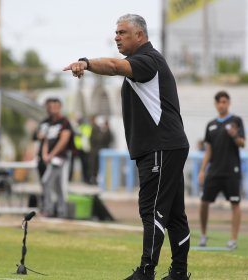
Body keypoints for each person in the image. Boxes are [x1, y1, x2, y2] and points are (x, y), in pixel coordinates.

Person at [64, 14, 191, 280]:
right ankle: (179, 273)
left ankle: (146, 272)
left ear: (140, 36)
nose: (116, 37)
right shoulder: (146, 61)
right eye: (116, 32)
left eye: (122, 32)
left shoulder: (148, 60)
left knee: (151, 208)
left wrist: (85, 63)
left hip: (161, 147)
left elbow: (112, 66)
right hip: (167, 146)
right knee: (175, 214)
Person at [198, 91, 245, 250]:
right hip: (214, 171)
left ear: (228, 103)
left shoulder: (236, 121)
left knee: (235, 203)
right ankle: (203, 235)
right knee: (204, 202)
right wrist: (203, 170)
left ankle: (233, 239)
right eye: (219, 102)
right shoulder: (211, 125)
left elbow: (242, 143)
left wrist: (234, 135)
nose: (221, 105)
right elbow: (208, 150)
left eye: (224, 102)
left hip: (231, 170)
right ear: (215, 104)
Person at [40, 98, 72, 218]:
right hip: (51, 158)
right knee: (57, 185)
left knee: (46, 181)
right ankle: (61, 211)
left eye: (56, 107)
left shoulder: (65, 122)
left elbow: (64, 140)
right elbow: (46, 141)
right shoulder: (50, 123)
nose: (53, 109)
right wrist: (45, 154)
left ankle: (49, 209)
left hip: (60, 158)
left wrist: (52, 154)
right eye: (51, 107)